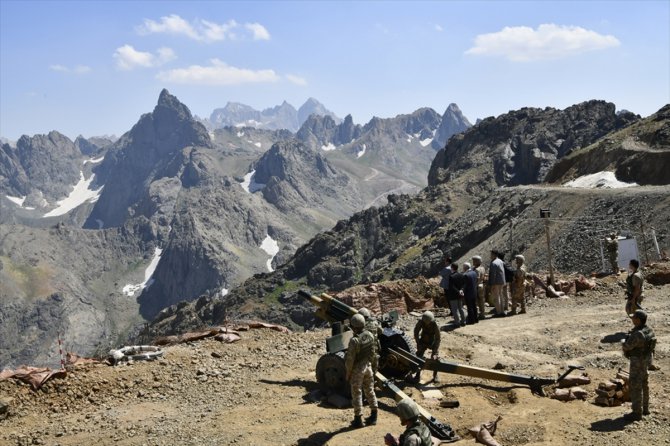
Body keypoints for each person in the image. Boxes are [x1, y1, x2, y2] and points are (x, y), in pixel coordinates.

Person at [621, 310, 656, 421]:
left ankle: (636, 413)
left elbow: (627, 347)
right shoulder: (649, 330)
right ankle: (645, 409)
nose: (632, 319)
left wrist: (623, 342)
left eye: (634, 317)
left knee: (635, 385)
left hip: (637, 362)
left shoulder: (638, 334)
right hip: (646, 361)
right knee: (644, 384)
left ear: (639, 320)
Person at [344, 313, 378, 428]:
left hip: (358, 370)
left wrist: (348, 374)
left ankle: (358, 420)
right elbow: (373, 353)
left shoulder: (354, 340)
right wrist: (371, 366)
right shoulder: (370, 334)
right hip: (368, 367)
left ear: (354, 326)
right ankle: (374, 416)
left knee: (357, 393)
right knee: (370, 390)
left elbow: (350, 360)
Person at [413, 311, 440, 383]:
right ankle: (417, 375)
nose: (428, 323)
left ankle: (435, 375)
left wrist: (435, 351)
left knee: (435, 359)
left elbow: (438, 339)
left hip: (432, 342)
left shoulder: (435, 324)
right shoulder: (421, 322)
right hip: (423, 340)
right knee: (418, 357)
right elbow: (416, 332)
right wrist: (418, 343)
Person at [359, 307, 382, 374]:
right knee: (375, 363)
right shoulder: (375, 322)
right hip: (375, 348)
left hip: (365, 350)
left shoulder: (361, 325)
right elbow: (380, 331)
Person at [447, 263, 466, 327]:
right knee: (461, 308)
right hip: (460, 295)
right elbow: (464, 284)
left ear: (452, 268)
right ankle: (463, 321)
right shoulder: (461, 275)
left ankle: (457, 323)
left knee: (455, 310)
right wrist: (461, 290)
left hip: (453, 295)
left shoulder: (451, 276)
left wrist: (458, 291)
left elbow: (451, 287)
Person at [488, 250, 506, 317]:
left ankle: (498, 312)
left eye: (491, 254)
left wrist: (492, 284)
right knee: (501, 296)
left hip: (496, 282)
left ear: (494, 255)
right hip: (501, 281)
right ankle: (502, 311)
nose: (490, 256)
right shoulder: (500, 261)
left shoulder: (493, 263)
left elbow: (493, 275)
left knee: (496, 297)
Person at [472, 255, 487, 320]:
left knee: (477, 300)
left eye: (473, 261)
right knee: (482, 300)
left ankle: (478, 313)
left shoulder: (476, 270)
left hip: (477, 286)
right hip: (482, 285)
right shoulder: (482, 268)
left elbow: (477, 278)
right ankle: (482, 313)